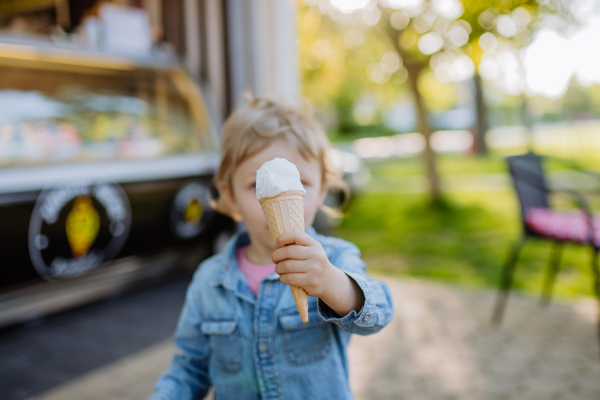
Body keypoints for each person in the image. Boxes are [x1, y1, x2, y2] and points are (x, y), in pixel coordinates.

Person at [150, 95, 393, 400]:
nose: (275, 200)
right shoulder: (209, 282)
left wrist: (332, 283)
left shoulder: (336, 259)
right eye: (257, 185)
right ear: (230, 195)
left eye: (301, 182)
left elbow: (379, 313)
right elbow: (190, 369)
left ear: (321, 191)